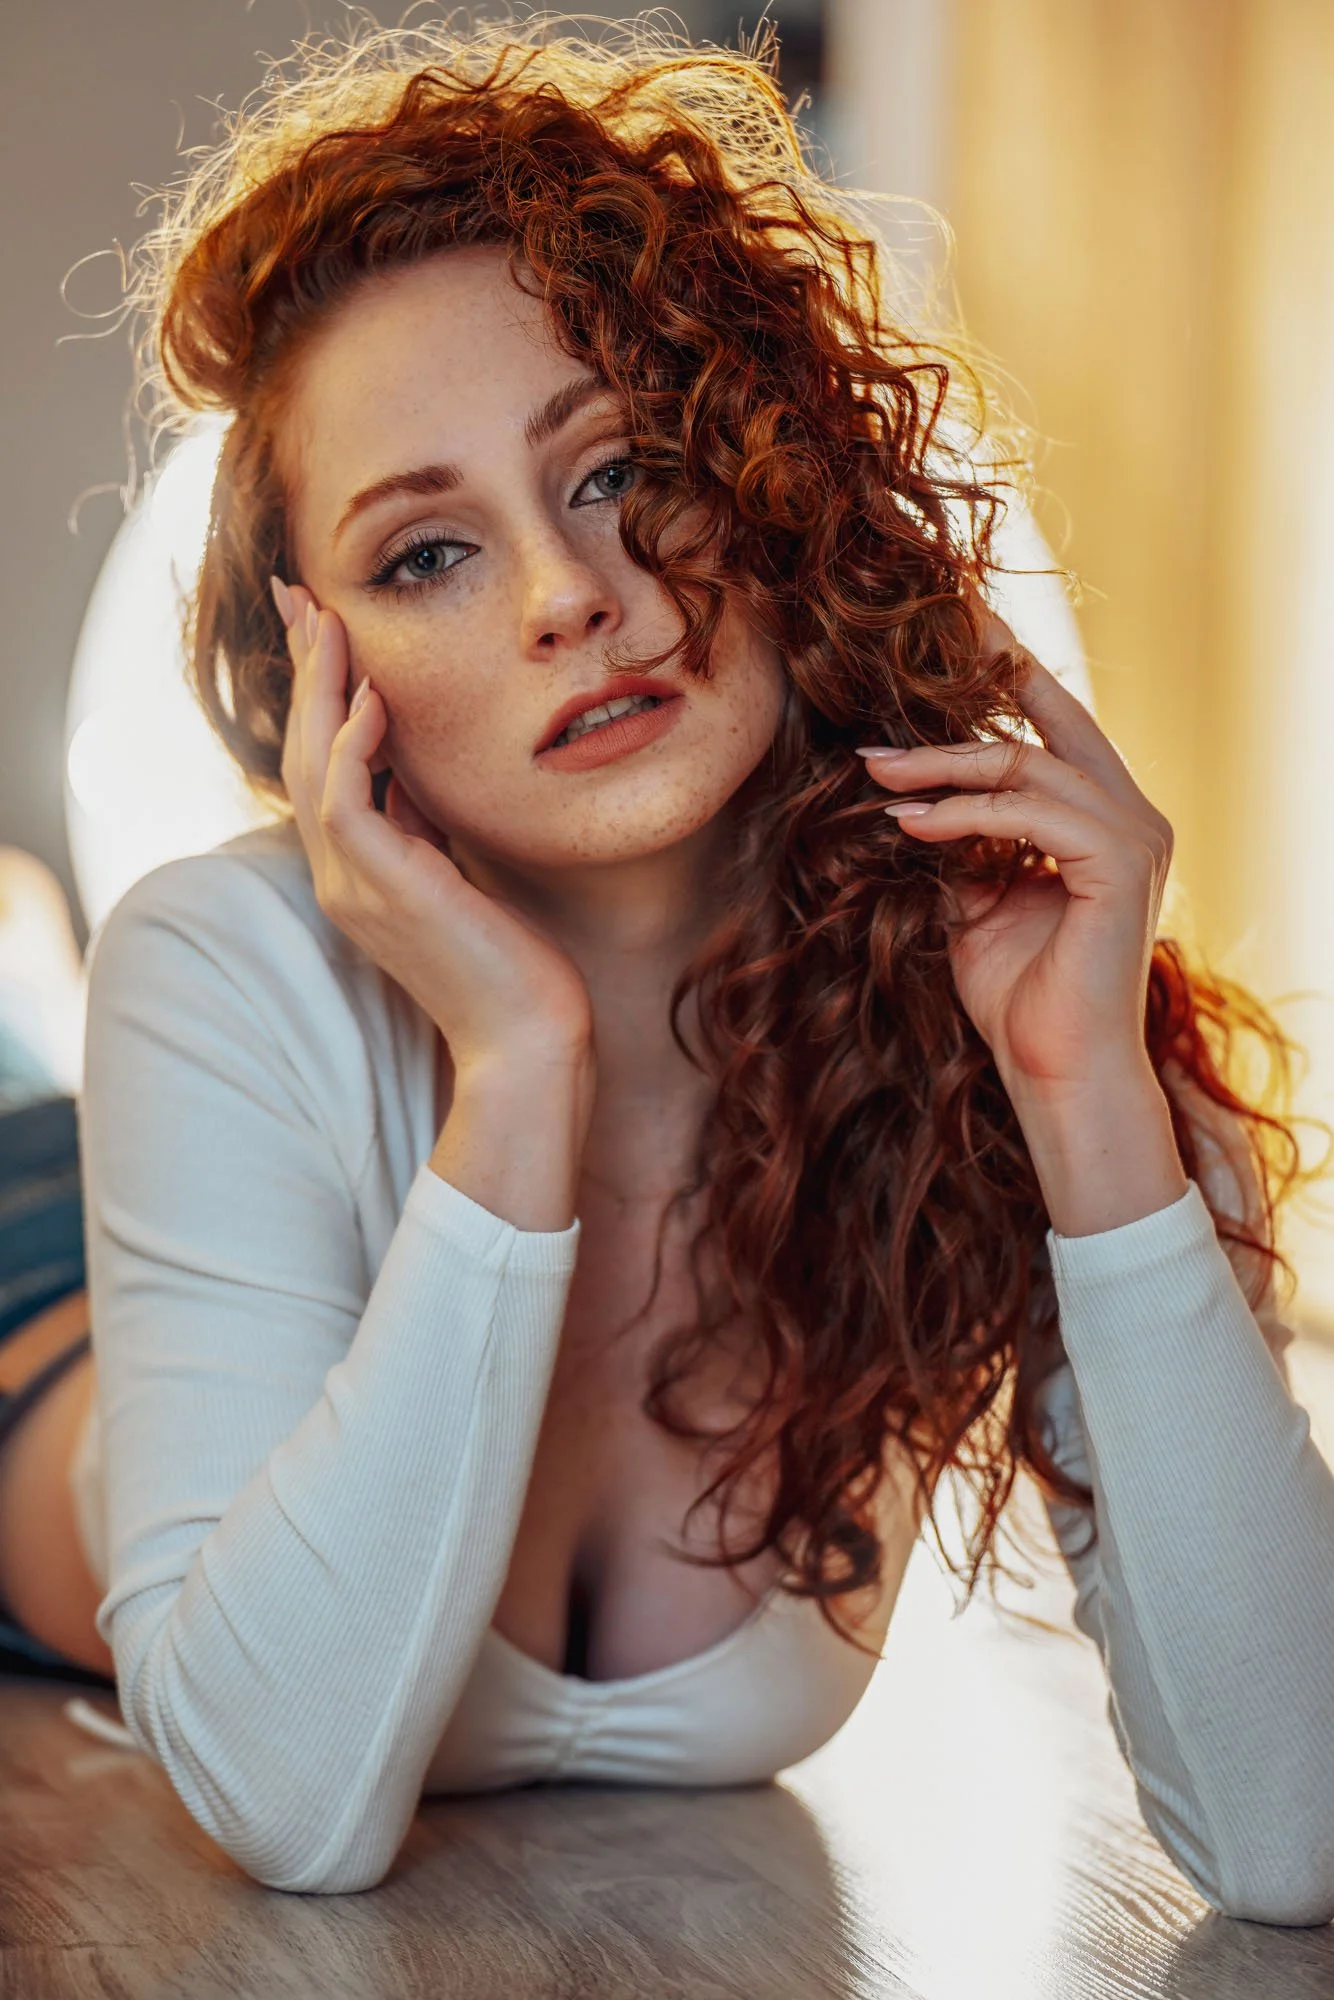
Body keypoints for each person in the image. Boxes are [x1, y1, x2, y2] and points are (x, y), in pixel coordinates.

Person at [2, 17, 1332, 1916]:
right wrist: (521, 1066)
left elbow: (1290, 1835)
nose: (569, 596)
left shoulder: (1004, 979)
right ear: (329, 669)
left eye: (625, 469)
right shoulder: (225, 962)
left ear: (775, 483)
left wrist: (1083, 1095)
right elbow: (290, 1806)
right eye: (430, 554)